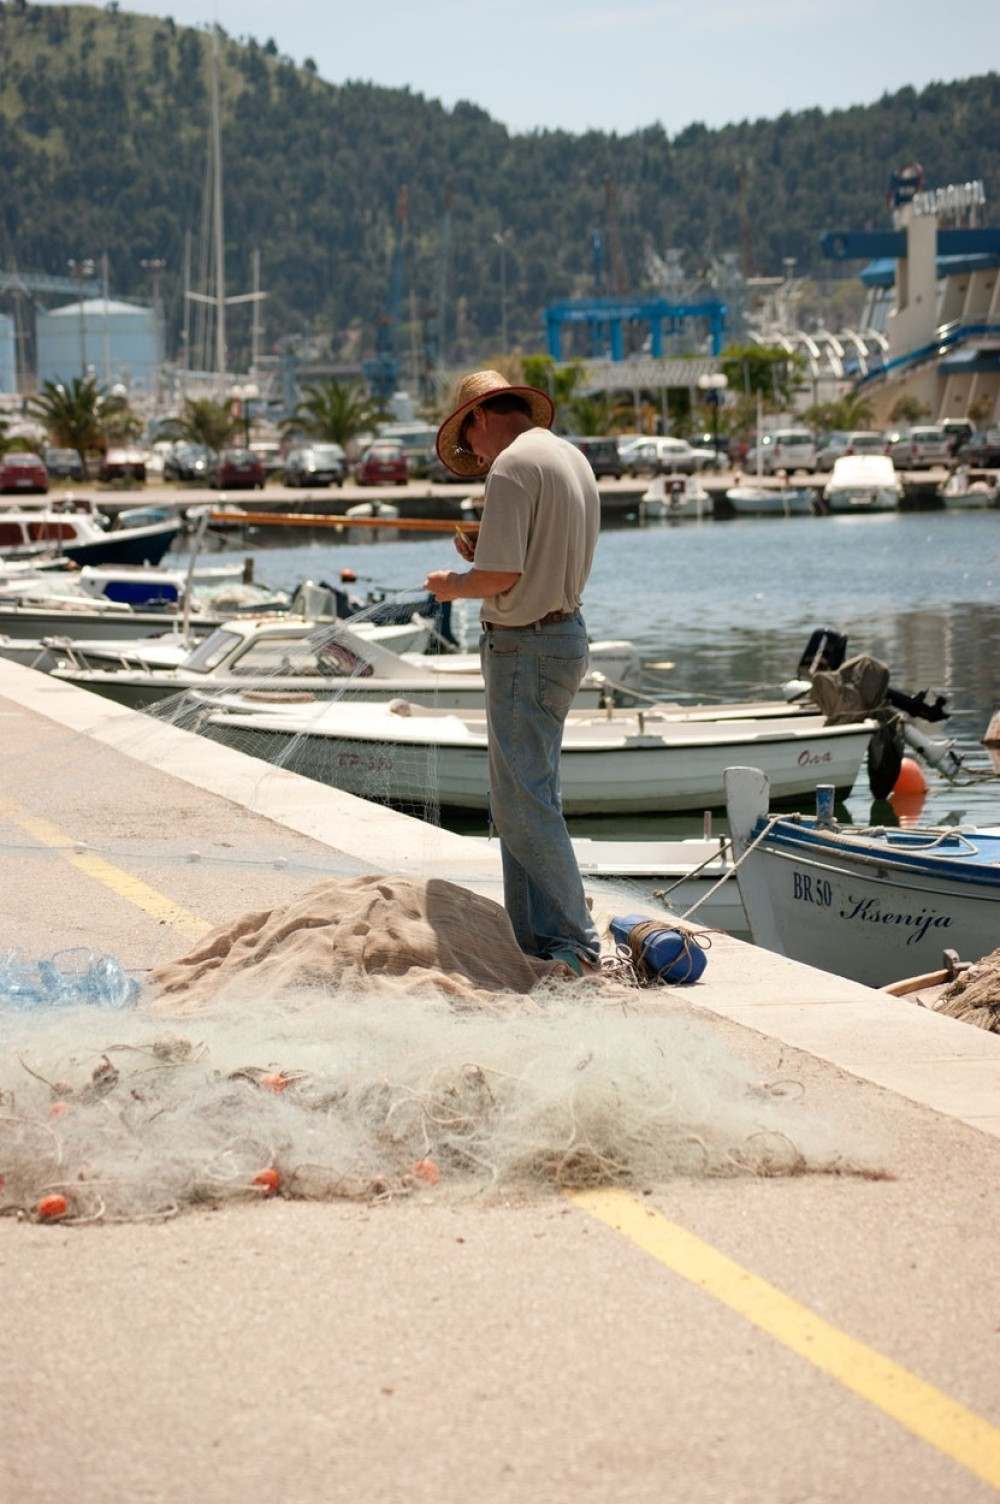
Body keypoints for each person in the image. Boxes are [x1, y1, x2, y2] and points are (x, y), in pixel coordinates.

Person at [424, 369, 602, 977]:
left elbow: (500, 581)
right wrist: (485, 555)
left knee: (522, 804)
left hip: (525, 647)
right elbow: (525, 559)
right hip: (565, 635)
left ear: (478, 418)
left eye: (467, 440)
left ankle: (575, 946)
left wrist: (451, 585)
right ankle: (537, 944)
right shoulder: (568, 458)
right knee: (530, 796)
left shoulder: (511, 467)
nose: (473, 456)